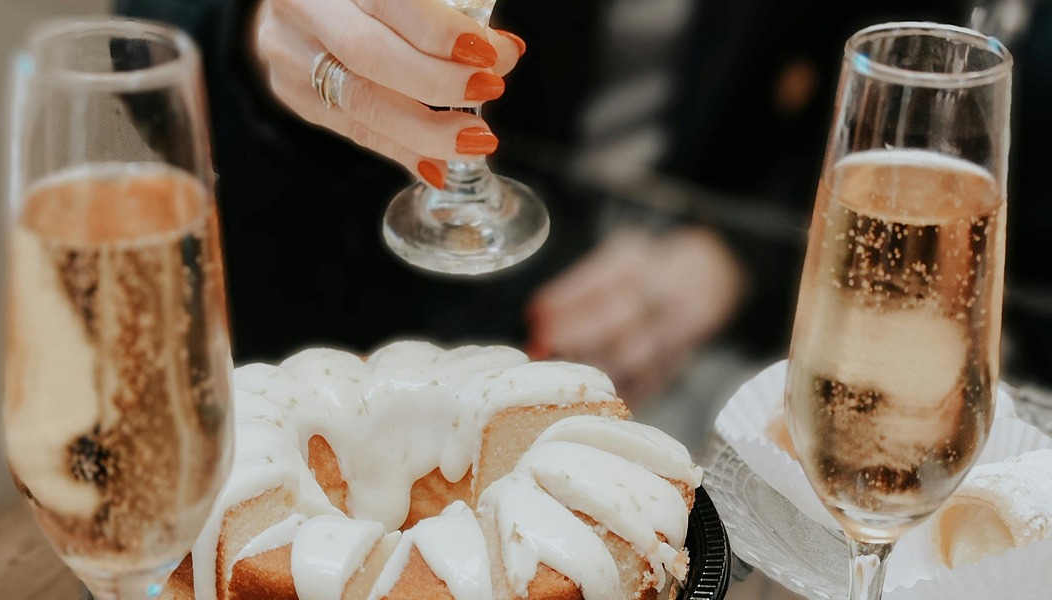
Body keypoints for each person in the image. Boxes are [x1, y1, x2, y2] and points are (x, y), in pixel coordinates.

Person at [115, 0, 1051, 401]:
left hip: (690, 360)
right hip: (337, 338)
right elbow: (147, 35)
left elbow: (911, 73)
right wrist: (260, 28)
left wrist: (733, 260)